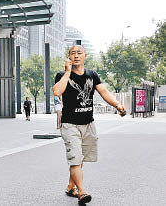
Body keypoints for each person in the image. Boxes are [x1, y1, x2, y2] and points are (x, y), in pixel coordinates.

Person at [52, 45, 126, 204]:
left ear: (85, 56)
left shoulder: (92, 75)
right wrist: (67, 72)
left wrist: (118, 105)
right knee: (75, 159)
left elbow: (104, 92)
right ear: (69, 57)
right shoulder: (62, 75)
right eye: (73, 53)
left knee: (80, 158)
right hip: (70, 124)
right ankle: (82, 192)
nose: (76, 56)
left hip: (88, 124)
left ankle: (71, 186)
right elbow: (57, 92)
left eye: (79, 53)